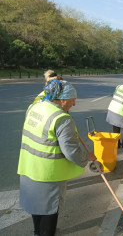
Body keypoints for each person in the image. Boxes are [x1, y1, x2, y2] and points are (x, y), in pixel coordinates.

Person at [17, 79, 95, 236]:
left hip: (29, 166)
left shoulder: (35, 107)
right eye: (72, 100)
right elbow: (72, 152)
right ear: (63, 99)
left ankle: (37, 232)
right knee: (49, 210)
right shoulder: (62, 119)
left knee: (36, 205)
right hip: (48, 174)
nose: (73, 104)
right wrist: (88, 158)